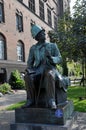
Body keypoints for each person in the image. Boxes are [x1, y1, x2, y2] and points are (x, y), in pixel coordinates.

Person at [24, 24, 69, 109]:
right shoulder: (33, 48)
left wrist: (50, 58)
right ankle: (30, 100)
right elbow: (30, 62)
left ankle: (51, 100)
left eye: (43, 33)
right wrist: (29, 69)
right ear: (37, 37)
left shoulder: (52, 46)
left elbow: (59, 58)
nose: (44, 34)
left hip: (50, 68)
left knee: (50, 75)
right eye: (41, 33)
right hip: (37, 70)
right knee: (27, 77)